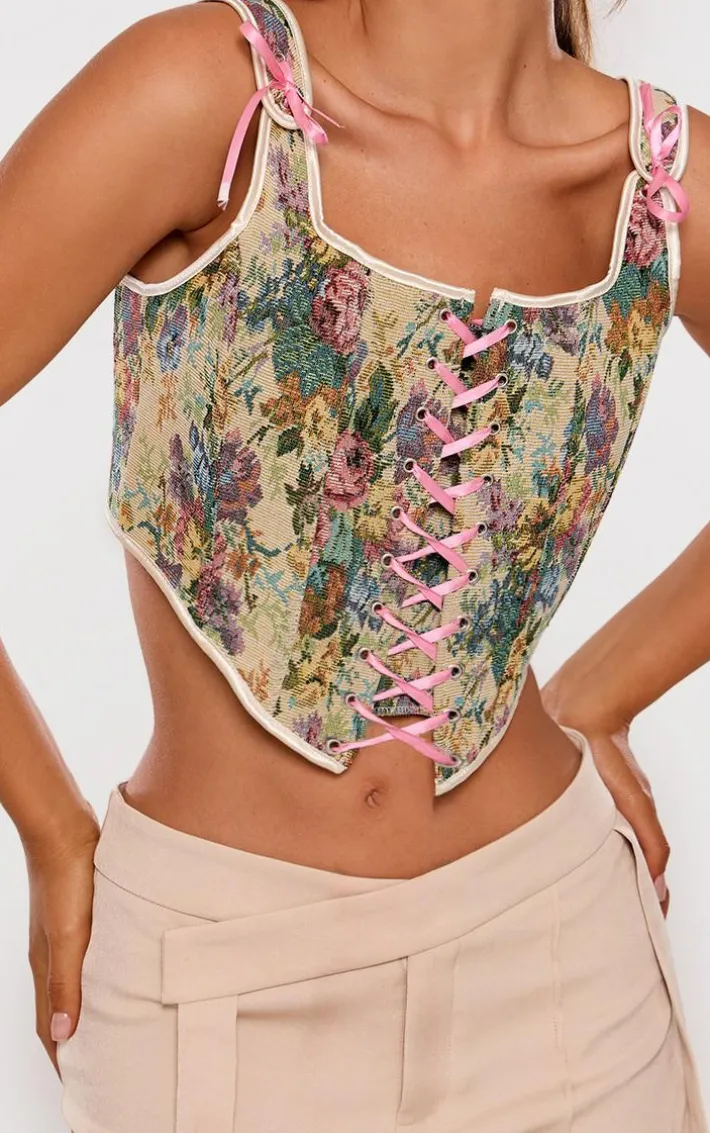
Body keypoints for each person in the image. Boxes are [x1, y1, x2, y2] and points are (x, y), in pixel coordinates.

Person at [1, 0, 709, 1128]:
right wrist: (45, 820)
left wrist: (603, 691)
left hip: (565, 969)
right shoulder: (213, 98)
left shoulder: (662, 182)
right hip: (220, 980)